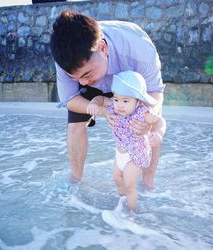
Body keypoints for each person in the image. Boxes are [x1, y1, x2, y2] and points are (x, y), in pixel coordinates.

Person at [50, 10, 166, 188]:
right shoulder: (65, 59)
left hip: (129, 78)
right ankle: (76, 180)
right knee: (74, 126)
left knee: (147, 124)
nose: (83, 82)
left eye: (86, 74)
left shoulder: (138, 49)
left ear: (103, 49)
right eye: (76, 78)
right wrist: (105, 110)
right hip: (97, 86)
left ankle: (148, 184)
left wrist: (148, 119)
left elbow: (155, 93)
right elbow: (70, 99)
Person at [87, 71, 164, 211]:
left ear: (137, 100)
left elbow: (160, 121)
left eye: (125, 101)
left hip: (136, 155)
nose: (119, 105)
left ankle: (132, 213)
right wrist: (94, 103)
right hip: (120, 153)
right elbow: (100, 99)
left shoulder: (143, 113)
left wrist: (158, 133)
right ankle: (122, 205)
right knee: (117, 179)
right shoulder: (114, 107)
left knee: (129, 186)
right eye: (116, 99)